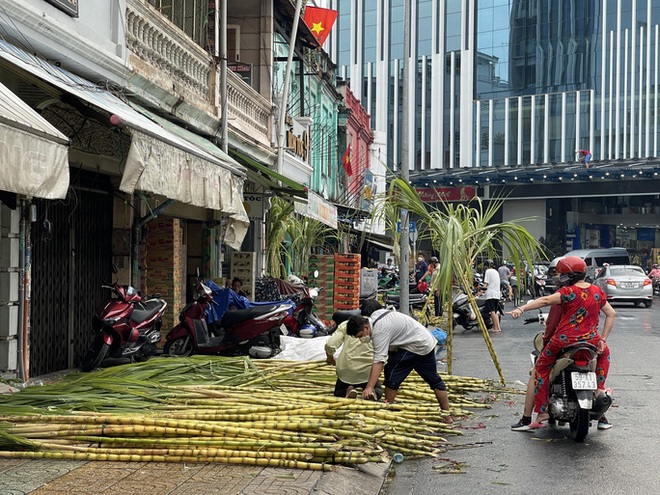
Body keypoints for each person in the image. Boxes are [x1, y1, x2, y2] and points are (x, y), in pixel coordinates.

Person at [507, 256, 616, 426]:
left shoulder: (567, 292)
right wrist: (602, 339)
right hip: (591, 342)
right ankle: (599, 389)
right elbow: (611, 314)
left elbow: (544, 300)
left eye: (561, 274)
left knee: (541, 368)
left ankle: (542, 412)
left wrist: (521, 308)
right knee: (605, 355)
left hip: (564, 341)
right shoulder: (597, 292)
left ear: (568, 276)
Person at [347, 299, 453, 423]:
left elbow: (379, 361)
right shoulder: (375, 317)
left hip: (415, 345)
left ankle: (388, 412)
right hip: (425, 341)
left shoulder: (379, 331)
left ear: (365, 327)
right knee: (434, 380)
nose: (362, 339)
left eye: (360, 336)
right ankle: (447, 416)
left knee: (391, 374)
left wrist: (369, 387)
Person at [325, 319, 383, 400]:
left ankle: (348, 390)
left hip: (347, 369)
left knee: (339, 391)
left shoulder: (346, 325)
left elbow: (330, 345)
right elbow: (383, 354)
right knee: (378, 390)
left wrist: (330, 358)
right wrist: (379, 370)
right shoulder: (376, 326)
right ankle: (373, 392)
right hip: (368, 371)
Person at [482, 259, 502, 332]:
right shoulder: (496, 272)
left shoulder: (488, 271)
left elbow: (486, 284)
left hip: (491, 294)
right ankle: (497, 327)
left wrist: (481, 291)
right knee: (495, 312)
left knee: (492, 311)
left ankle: (496, 328)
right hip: (497, 294)